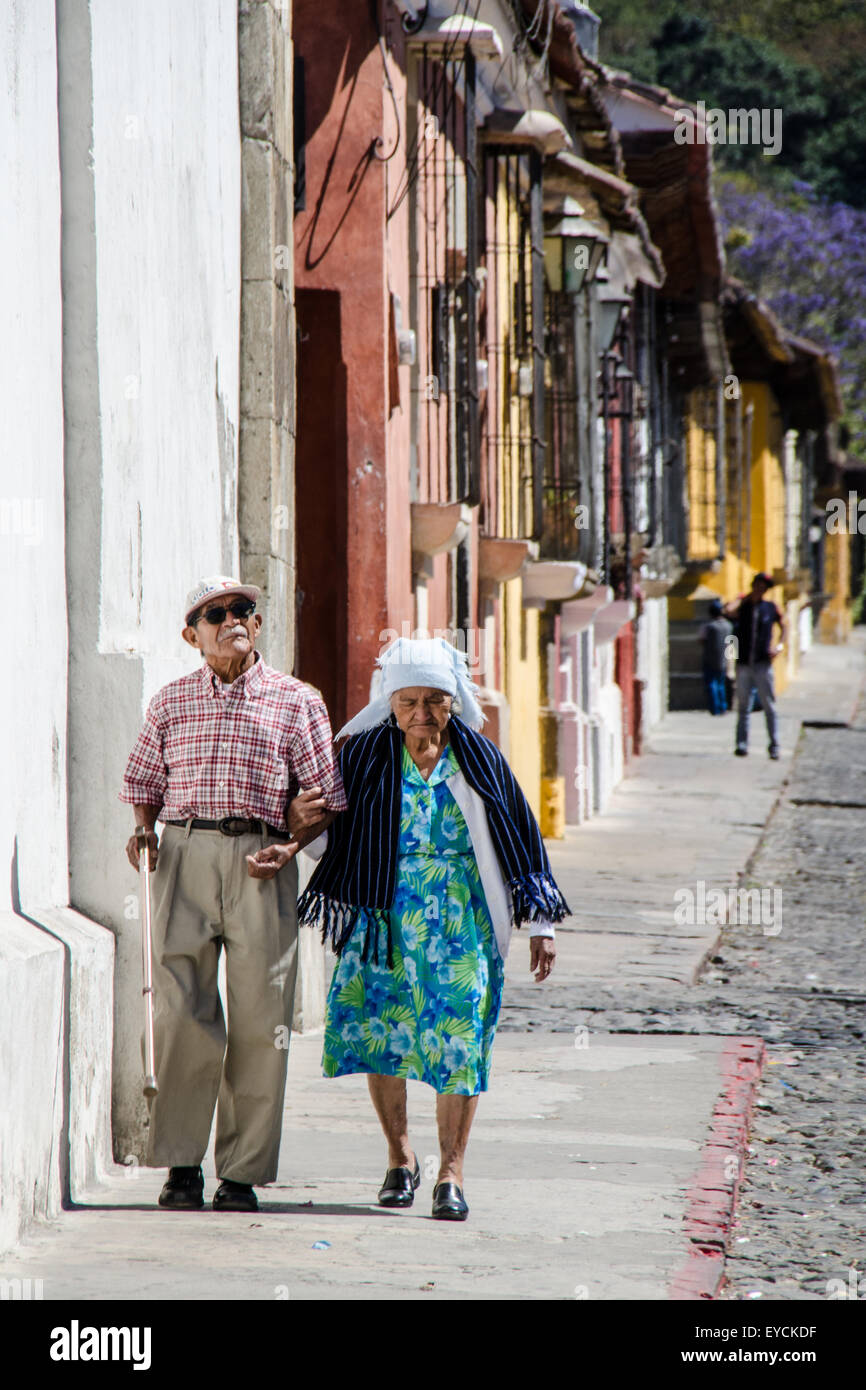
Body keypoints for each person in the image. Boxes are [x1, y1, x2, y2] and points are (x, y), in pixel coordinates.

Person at [293, 637, 570, 1222]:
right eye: (409, 701)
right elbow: (328, 839)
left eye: (434, 700)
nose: (421, 713)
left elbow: (523, 839)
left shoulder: (481, 760)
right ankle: (399, 1159)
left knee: (461, 1044)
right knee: (382, 1039)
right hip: (380, 925)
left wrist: (541, 922)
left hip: (460, 929)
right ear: (389, 703)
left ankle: (451, 1173)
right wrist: (297, 826)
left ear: (454, 701)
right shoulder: (362, 757)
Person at [120, 576, 346, 1212]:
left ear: (257, 622)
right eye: (215, 613)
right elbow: (143, 780)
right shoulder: (169, 703)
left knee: (260, 1017)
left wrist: (294, 845)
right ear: (192, 635)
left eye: (243, 609)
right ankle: (182, 1164)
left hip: (263, 861)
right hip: (184, 854)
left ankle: (240, 1173)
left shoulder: (298, 701)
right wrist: (143, 832)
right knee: (179, 1012)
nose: (232, 619)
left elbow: (328, 796)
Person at [723, 572, 787, 759]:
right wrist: (744, 598)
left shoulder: (770, 608)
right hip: (743, 663)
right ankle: (741, 744)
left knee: (769, 706)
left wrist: (779, 646)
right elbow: (728, 610)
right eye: (757, 585)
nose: (760, 589)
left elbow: (785, 625)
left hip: (763, 664)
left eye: (763, 586)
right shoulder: (743, 606)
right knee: (743, 706)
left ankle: (774, 745)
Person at [698, 598, 733, 715]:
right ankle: (723, 707)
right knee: (721, 684)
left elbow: (701, 640)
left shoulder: (708, 626)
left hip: (710, 659)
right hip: (724, 659)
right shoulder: (728, 626)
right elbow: (732, 642)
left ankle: (715, 708)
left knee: (712, 684)